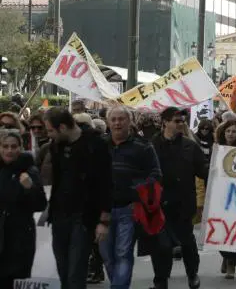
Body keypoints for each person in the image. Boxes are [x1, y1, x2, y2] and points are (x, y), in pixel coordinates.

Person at [44, 107, 113, 289]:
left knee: (76, 272)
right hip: (59, 216)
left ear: (64, 127)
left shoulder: (95, 144)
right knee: (63, 269)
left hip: (83, 218)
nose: (49, 135)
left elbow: (106, 183)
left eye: (51, 130)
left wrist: (104, 220)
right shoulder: (56, 145)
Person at [99, 106, 162, 289]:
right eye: (114, 119)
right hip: (104, 210)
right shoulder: (100, 145)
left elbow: (156, 174)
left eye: (121, 119)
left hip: (129, 208)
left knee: (123, 253)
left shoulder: (143, 145)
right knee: (107, 256)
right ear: (108, 123)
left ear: (130, 121)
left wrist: (137, 193)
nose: (117, 123)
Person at [150, 107, 208, 289]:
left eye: (182, 120)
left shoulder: (190, 146)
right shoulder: (151, 145)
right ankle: (160, 280)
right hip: (159, 204)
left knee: (187, 242)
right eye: (176, 121)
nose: (181, 124)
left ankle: (192, 274)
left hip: (183, 204)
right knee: (161, 246)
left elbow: (203, 171)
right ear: (165, 122)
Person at [0, 130, 47, 289]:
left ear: (20, 148)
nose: (9, 150)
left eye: (14, 146)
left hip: (20, 237)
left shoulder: (29, 171)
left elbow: (41, 205)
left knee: (16, 279)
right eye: (5, 146)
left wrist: (29, 188)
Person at [213, 120, 236, 279]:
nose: (231, 134)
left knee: (232, 231)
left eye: (234, 131)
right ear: (223, 133)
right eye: (228, 131)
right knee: (219, 230)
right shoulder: (217, 149)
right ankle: (225, 256)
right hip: (219, 194)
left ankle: (231, 263)